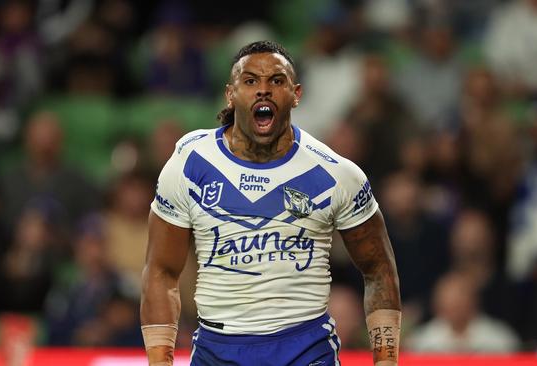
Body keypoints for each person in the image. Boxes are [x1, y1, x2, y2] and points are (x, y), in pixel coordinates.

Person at [140, 41, 401, 366]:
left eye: (276, 81)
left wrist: (387, 361)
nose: (263, 90)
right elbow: (161, 271)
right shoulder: (189, 164)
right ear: (230, 94)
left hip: (306, 349)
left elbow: (379, 269)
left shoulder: (335, 174)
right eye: (250, 81)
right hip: (217, 351)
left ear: (296, 94)